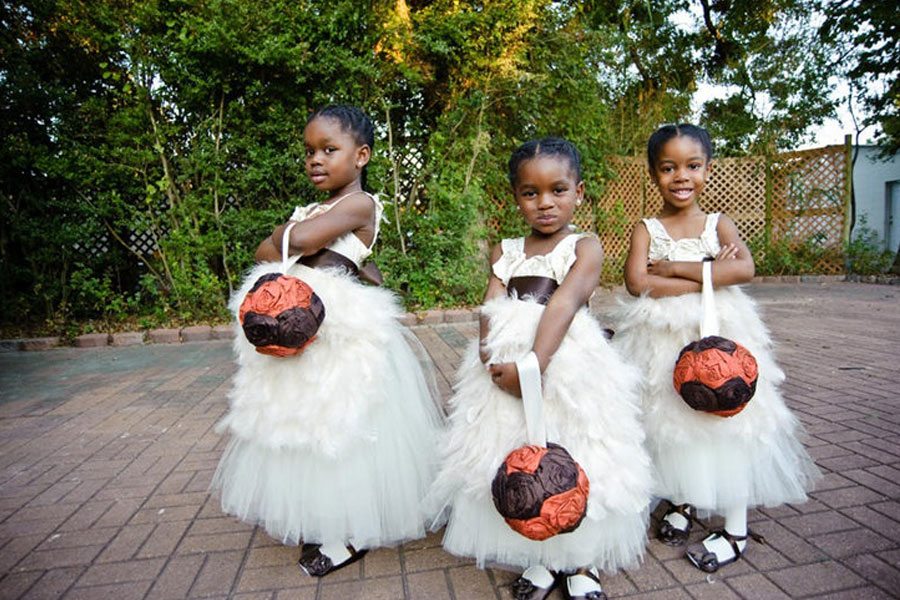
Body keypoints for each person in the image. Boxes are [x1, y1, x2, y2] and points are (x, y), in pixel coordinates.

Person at [211, 104, 444, 577]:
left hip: (338, 329)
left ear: (361, 156)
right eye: (309, 151)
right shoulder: (310, 209)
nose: (315, 159)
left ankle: (350, 529)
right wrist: (293, 238)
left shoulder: (360, 205)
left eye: (328, 150)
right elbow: (268, 253)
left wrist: (290, 237)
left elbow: (304, 240)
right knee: (302, 416)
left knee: (341, 423)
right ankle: (320, 509)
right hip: (294, 320)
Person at [426, 138, 651, 600]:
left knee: (575, 451)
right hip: (504, 363)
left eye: (558, 190)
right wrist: (489, 357)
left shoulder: (584, 246)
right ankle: (539, 557)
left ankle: (581, 563)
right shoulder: (505, 250)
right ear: (517, 197)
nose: (545, 203)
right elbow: (490, 303)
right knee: (516, 451)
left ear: (579, 192)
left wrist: (532, 365)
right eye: (531, 193)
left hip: (562, 362)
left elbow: (566, 302)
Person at [612, 123, 821, 572]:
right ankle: (685, 498)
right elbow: (636, 283)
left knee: (725, 420)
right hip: (661, 339)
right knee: (672, 421)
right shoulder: (645, 227)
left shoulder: (717, 223)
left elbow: (743, 270)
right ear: (654, 174)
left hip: (722, 334)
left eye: (692, 165)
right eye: (668, 168)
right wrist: (708, 270)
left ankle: (736, 527)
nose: (681, 176)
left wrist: (673, 266)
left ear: (707, 168)